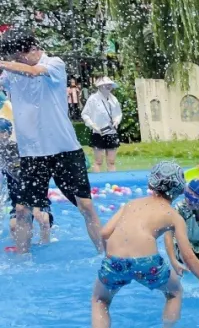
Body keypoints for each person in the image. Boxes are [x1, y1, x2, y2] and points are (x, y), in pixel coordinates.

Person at [91, 162, 199, 328]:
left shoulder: (131, 204)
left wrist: (110, 257)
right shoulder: (174, 216)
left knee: (100, 300)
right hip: (148, 263)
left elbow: (104, 233)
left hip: (115, 261)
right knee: (174, 292)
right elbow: (188, 256)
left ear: (150, 183)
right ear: (180, 190)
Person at [0, 29, 103, 253]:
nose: (15, 62)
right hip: (32, 154)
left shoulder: (54, 64)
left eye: (17, 57)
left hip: (65, 149)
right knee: (22, 210)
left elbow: (33, 72)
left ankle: (104, 253)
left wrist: (5, 64)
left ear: (31, 49)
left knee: (85, 205)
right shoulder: (9, 74)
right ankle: (23, 260)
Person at [1, 117, 51, 248]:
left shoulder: (19, 149)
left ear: (8, 133)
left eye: (2, 132)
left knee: (44, 220)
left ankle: (45, 245)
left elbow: (37, 175)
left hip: (35, 196)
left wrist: (37, 206)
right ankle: (19, 246)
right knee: (13, 226)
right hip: (18, 199)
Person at [81, 76, 122, 173]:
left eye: (109, 84)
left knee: (111, 162)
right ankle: (98, 180)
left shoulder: (114, 99)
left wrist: (116, 121)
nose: (108, 86)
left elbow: (118, 113)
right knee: (98, 161)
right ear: (100, 86)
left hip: (111, 132)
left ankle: (113, 179)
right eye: (105, 85)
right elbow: (84, 114)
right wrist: (93, 125)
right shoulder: (93, 99)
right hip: (98, 133)